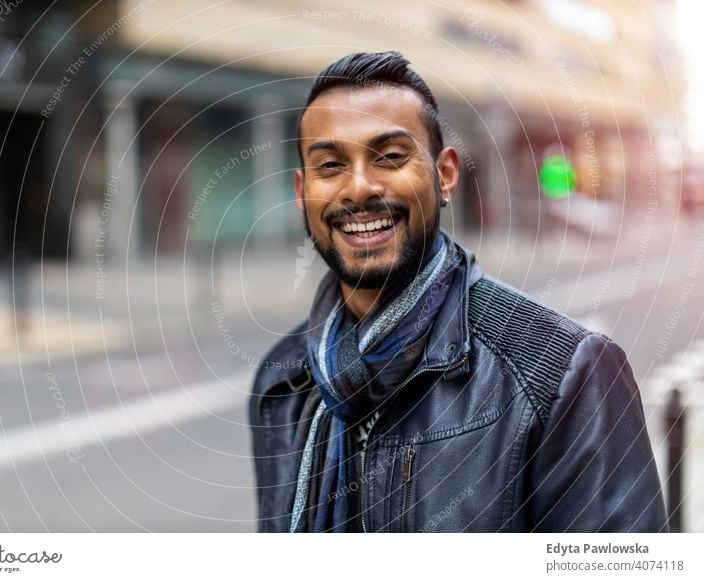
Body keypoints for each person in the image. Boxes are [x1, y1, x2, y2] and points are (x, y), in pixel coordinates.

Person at [249, 51, 667, 533]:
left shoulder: (563, 376)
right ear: (303, 192)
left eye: (389, 157)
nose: (359, 188)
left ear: (445, 175)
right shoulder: (282, 384)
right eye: (330, 165)